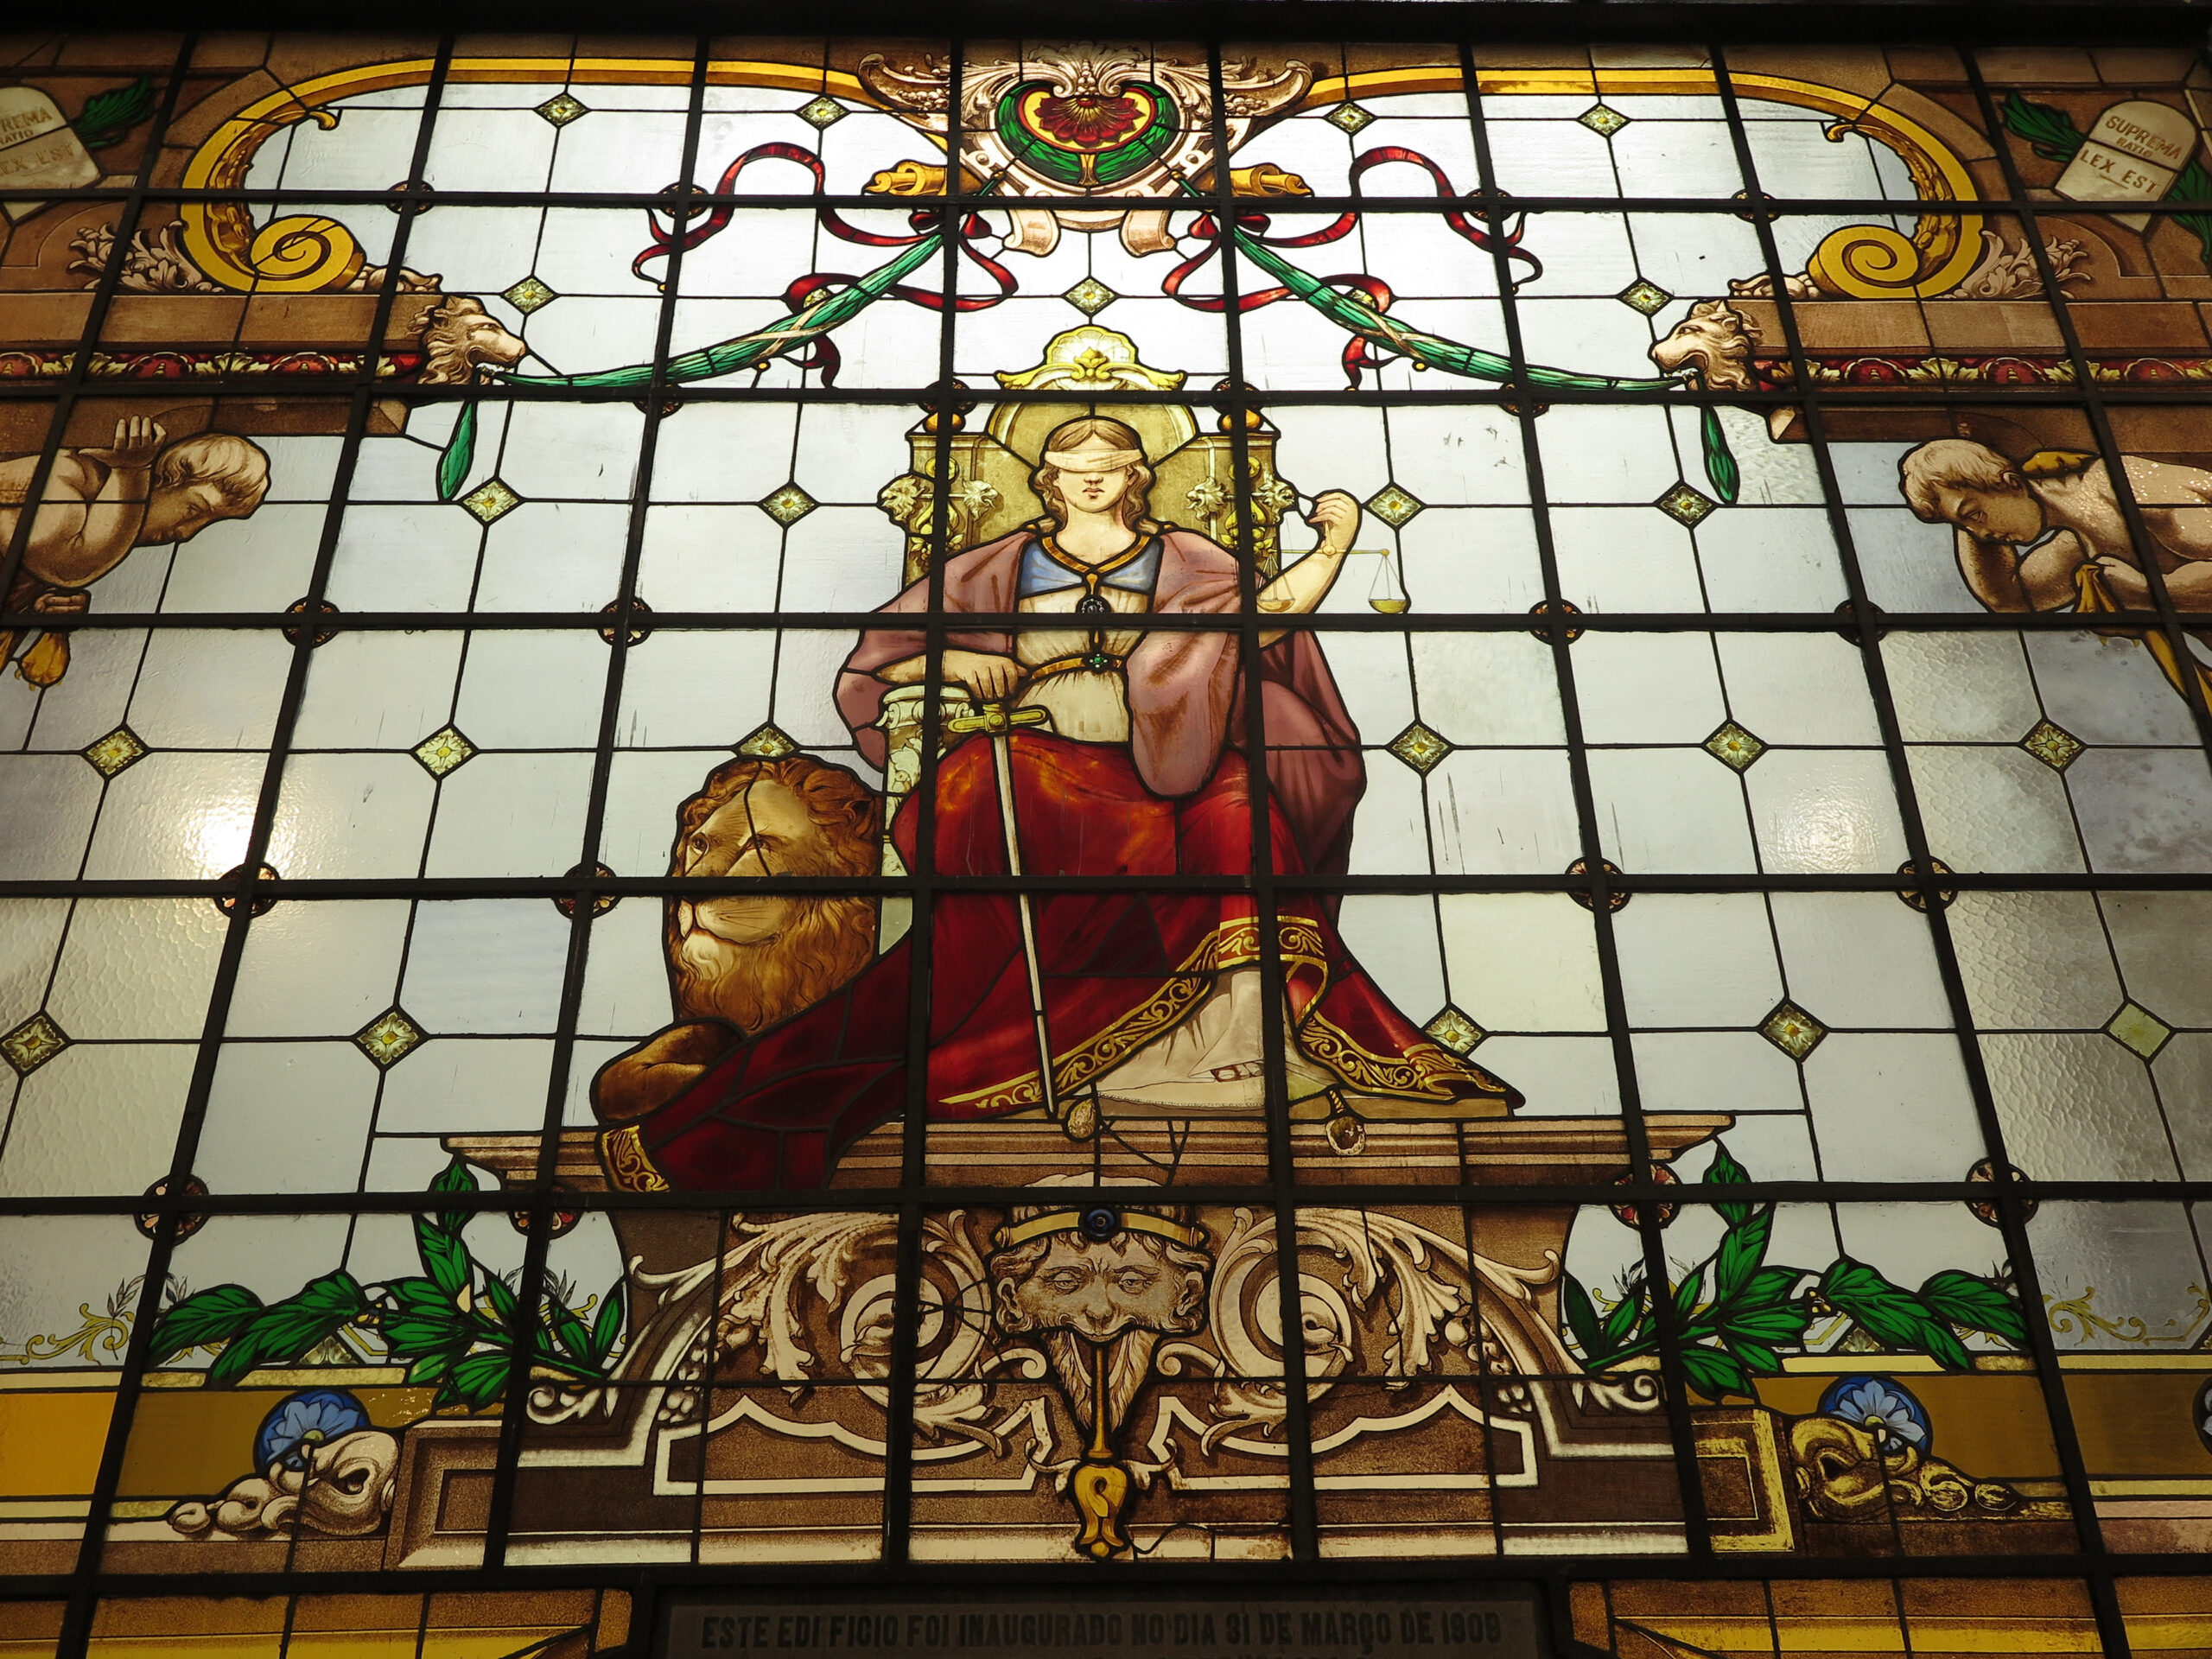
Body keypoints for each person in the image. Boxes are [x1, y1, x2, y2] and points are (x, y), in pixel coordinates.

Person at [596, 416, 1516, 1194]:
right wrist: (959, 658)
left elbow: (1259, 626)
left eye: (1111, 468)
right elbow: (878, 672)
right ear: (1047, 480)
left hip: (1166, 768)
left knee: (1242, 805)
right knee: (983, 788)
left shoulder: (1192, 561)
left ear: (1137, 475)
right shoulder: (989, 569)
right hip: (1030, 762)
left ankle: (1238, 1049)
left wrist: (1335, 548)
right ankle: (1083, 1044)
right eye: (1075, 471)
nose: (1092, 482)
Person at [0, 418, 270, 684]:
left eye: (209, 523)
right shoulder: (69, 477)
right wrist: (130, 472)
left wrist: (36, 608)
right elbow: (69, 566)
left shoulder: (99, 535)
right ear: (167, 478)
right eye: (194, 509)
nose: (187, 533)